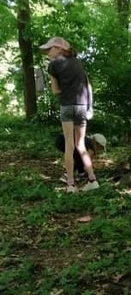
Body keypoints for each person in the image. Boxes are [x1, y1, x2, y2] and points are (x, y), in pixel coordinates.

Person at [40, 37, 99, 192]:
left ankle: (71, 184)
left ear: (59, 49)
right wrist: (89, 107)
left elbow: (55, 90)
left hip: (67, 106)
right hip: (82, 107)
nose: (47, 52)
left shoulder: (53, 65)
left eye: (50, 49)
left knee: (69, 145)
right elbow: (88, 86)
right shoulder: (78, 62)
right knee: (81, 145)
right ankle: (92, 180)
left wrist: (64, 91)